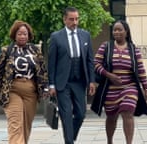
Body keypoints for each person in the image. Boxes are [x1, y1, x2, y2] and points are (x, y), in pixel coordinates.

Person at [0, 20, 48, 144]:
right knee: (15, 123)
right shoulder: (7, 50)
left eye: (25, 34)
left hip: (31, 92)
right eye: (20, 34)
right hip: (12, 90)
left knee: (26, 126)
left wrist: (45, 88)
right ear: (14, 35)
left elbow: (42, 72)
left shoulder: (35, 50)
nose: (22, 36)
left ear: (29, 35)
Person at [92, 20, 147, 144]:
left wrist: (146, 89)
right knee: (111, 117)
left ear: (126, 32)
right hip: (110, 89)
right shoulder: (106, 46)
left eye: (120, 29)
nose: (117, 32)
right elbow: (96, 63)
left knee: (127, 111)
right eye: (114, 30)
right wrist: (108, 75)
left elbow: (140, 69)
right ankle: (109, 141)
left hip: (129, 87)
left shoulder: (133, 49)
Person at [48, 7, 96, 144]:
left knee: (81, 114)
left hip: (80, 82)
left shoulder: (85, 35)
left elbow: (89, 60)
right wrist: (51, 84)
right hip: (63, 83)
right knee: (66, 114)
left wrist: (91, 81)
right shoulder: (56, 37)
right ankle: (69, 141)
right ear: (64, 19)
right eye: (71, 19)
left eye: (76, 19)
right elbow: (51, 63)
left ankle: (71, 135)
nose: (75, 22)